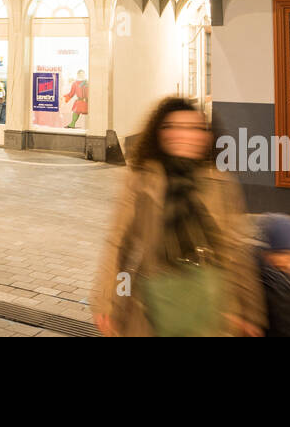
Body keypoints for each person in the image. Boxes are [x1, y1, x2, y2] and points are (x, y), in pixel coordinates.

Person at [92, 97, 265, 337]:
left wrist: (250, 311)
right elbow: (121, 246)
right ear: (160, 134)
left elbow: (236, 251)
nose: (184, 135)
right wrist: (112, 300)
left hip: (212, 307)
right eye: (173, 127)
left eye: (194, 128)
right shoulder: (141, 181)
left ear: (207, 136)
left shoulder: (221, 184)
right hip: (149, 307)